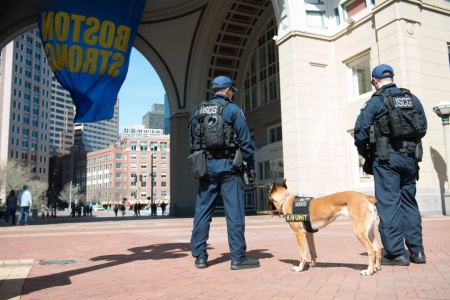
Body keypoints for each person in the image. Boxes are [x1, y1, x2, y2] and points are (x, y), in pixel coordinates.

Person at [354, 64, 427, 266]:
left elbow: (360, 132)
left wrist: (366, 154)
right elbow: (423, 128)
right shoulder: (412, 99)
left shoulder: (376, 101)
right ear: (392, 77)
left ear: (375, 81)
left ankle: (397, 254)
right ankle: (417, 252)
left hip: (386, 159)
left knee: (388, 205)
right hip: (410, 159)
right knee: (409, 203)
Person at [188, 75, 259, 270]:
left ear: (213, 91)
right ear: (227, 90)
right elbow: (246, 143)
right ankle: (237, 258)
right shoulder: (233, 110)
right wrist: (250, 166)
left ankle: (200, 257)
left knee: (202, 212)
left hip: (205, 167)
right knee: (234, 213)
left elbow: (191, 143)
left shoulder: (197, 112)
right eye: (231, 91)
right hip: (229, 167)